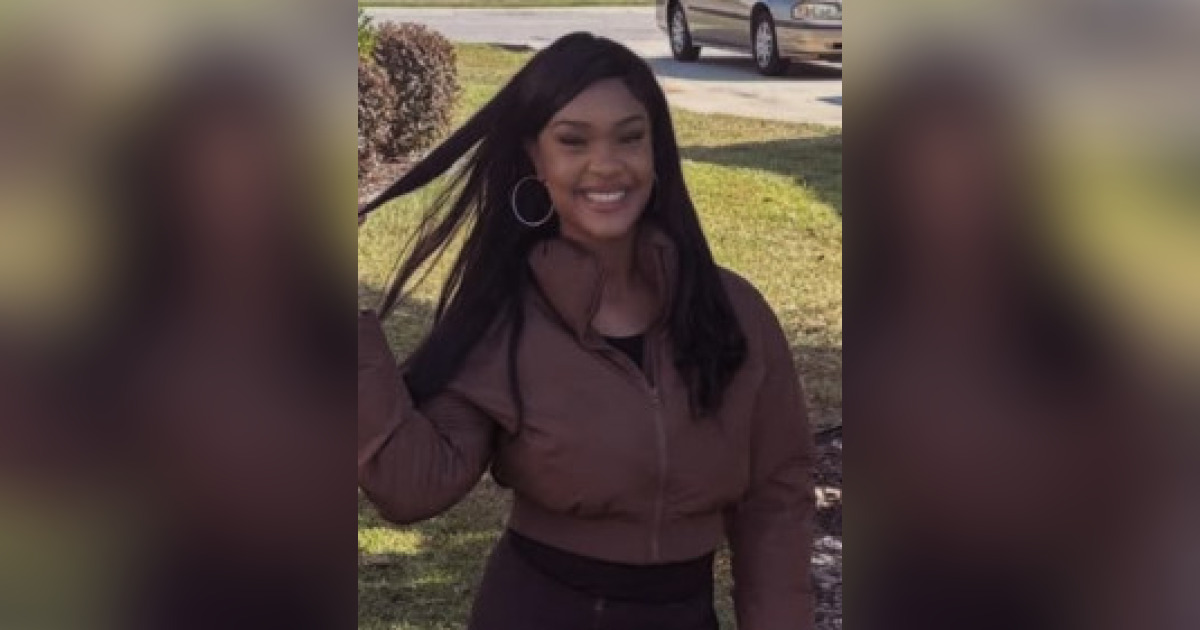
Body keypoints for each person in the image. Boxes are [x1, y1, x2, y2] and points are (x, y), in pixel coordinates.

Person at [357, 32, 815, 630]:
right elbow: (412, 485)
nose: (606, 164)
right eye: (573, 141)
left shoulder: (732, 311)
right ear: (536, 159)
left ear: (657, 150)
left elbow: (776, 494)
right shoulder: (503, 319)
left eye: (630, 137)